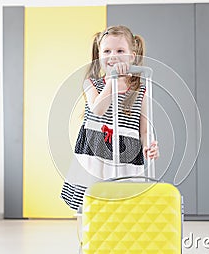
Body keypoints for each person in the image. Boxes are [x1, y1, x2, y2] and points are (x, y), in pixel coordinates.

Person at [60, 25, 159, 211]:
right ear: (99, 55)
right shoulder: (91, 84)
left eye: (120, 50)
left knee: (124, 206)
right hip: (95, 154)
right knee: (89, 206)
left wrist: (149, 145)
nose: (113, 56)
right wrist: (113, 80)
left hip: (125, 157)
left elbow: (144, 130)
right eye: (107, 51)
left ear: (133, 55)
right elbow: (98, 109)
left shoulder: (140, 91)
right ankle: (88, 238)